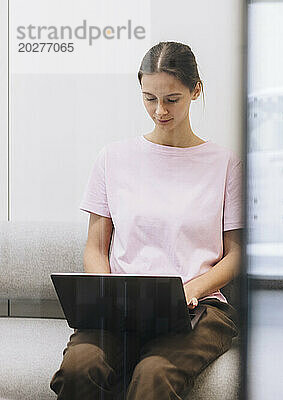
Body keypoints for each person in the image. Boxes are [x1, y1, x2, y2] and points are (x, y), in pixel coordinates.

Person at [49, 41, 243, 399]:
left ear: (195, 90)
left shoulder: (225, 164)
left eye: (172, 99)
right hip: (121, 305)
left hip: (198, 305)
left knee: (153, 375)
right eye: (149, 98)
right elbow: (96, 247)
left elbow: (236, 254)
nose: (159, 111)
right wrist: (106, 295)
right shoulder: (113, 158)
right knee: (79, 369)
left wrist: (192, 289)